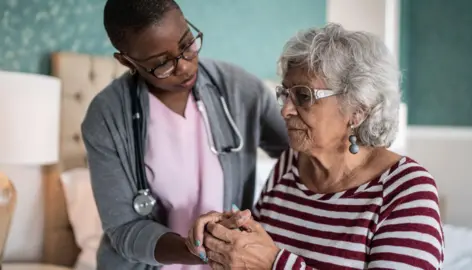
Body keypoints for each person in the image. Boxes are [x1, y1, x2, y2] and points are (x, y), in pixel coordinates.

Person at [187, 23, 445, 270]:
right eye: (285, 94)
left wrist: (273, 264)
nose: (286, 110)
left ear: (357, 110)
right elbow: (257, 251)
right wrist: (229, 236)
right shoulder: (291, 164)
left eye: (303, 96)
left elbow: (266, 260)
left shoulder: (406, 189)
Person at [80, 0, 289, 269]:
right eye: (162, 63)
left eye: (187, 44)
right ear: (126, 60)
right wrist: (204, 248)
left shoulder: (240, 89)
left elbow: (301, 155)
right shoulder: (106, 117)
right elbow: (125, 229)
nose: (185, 67)